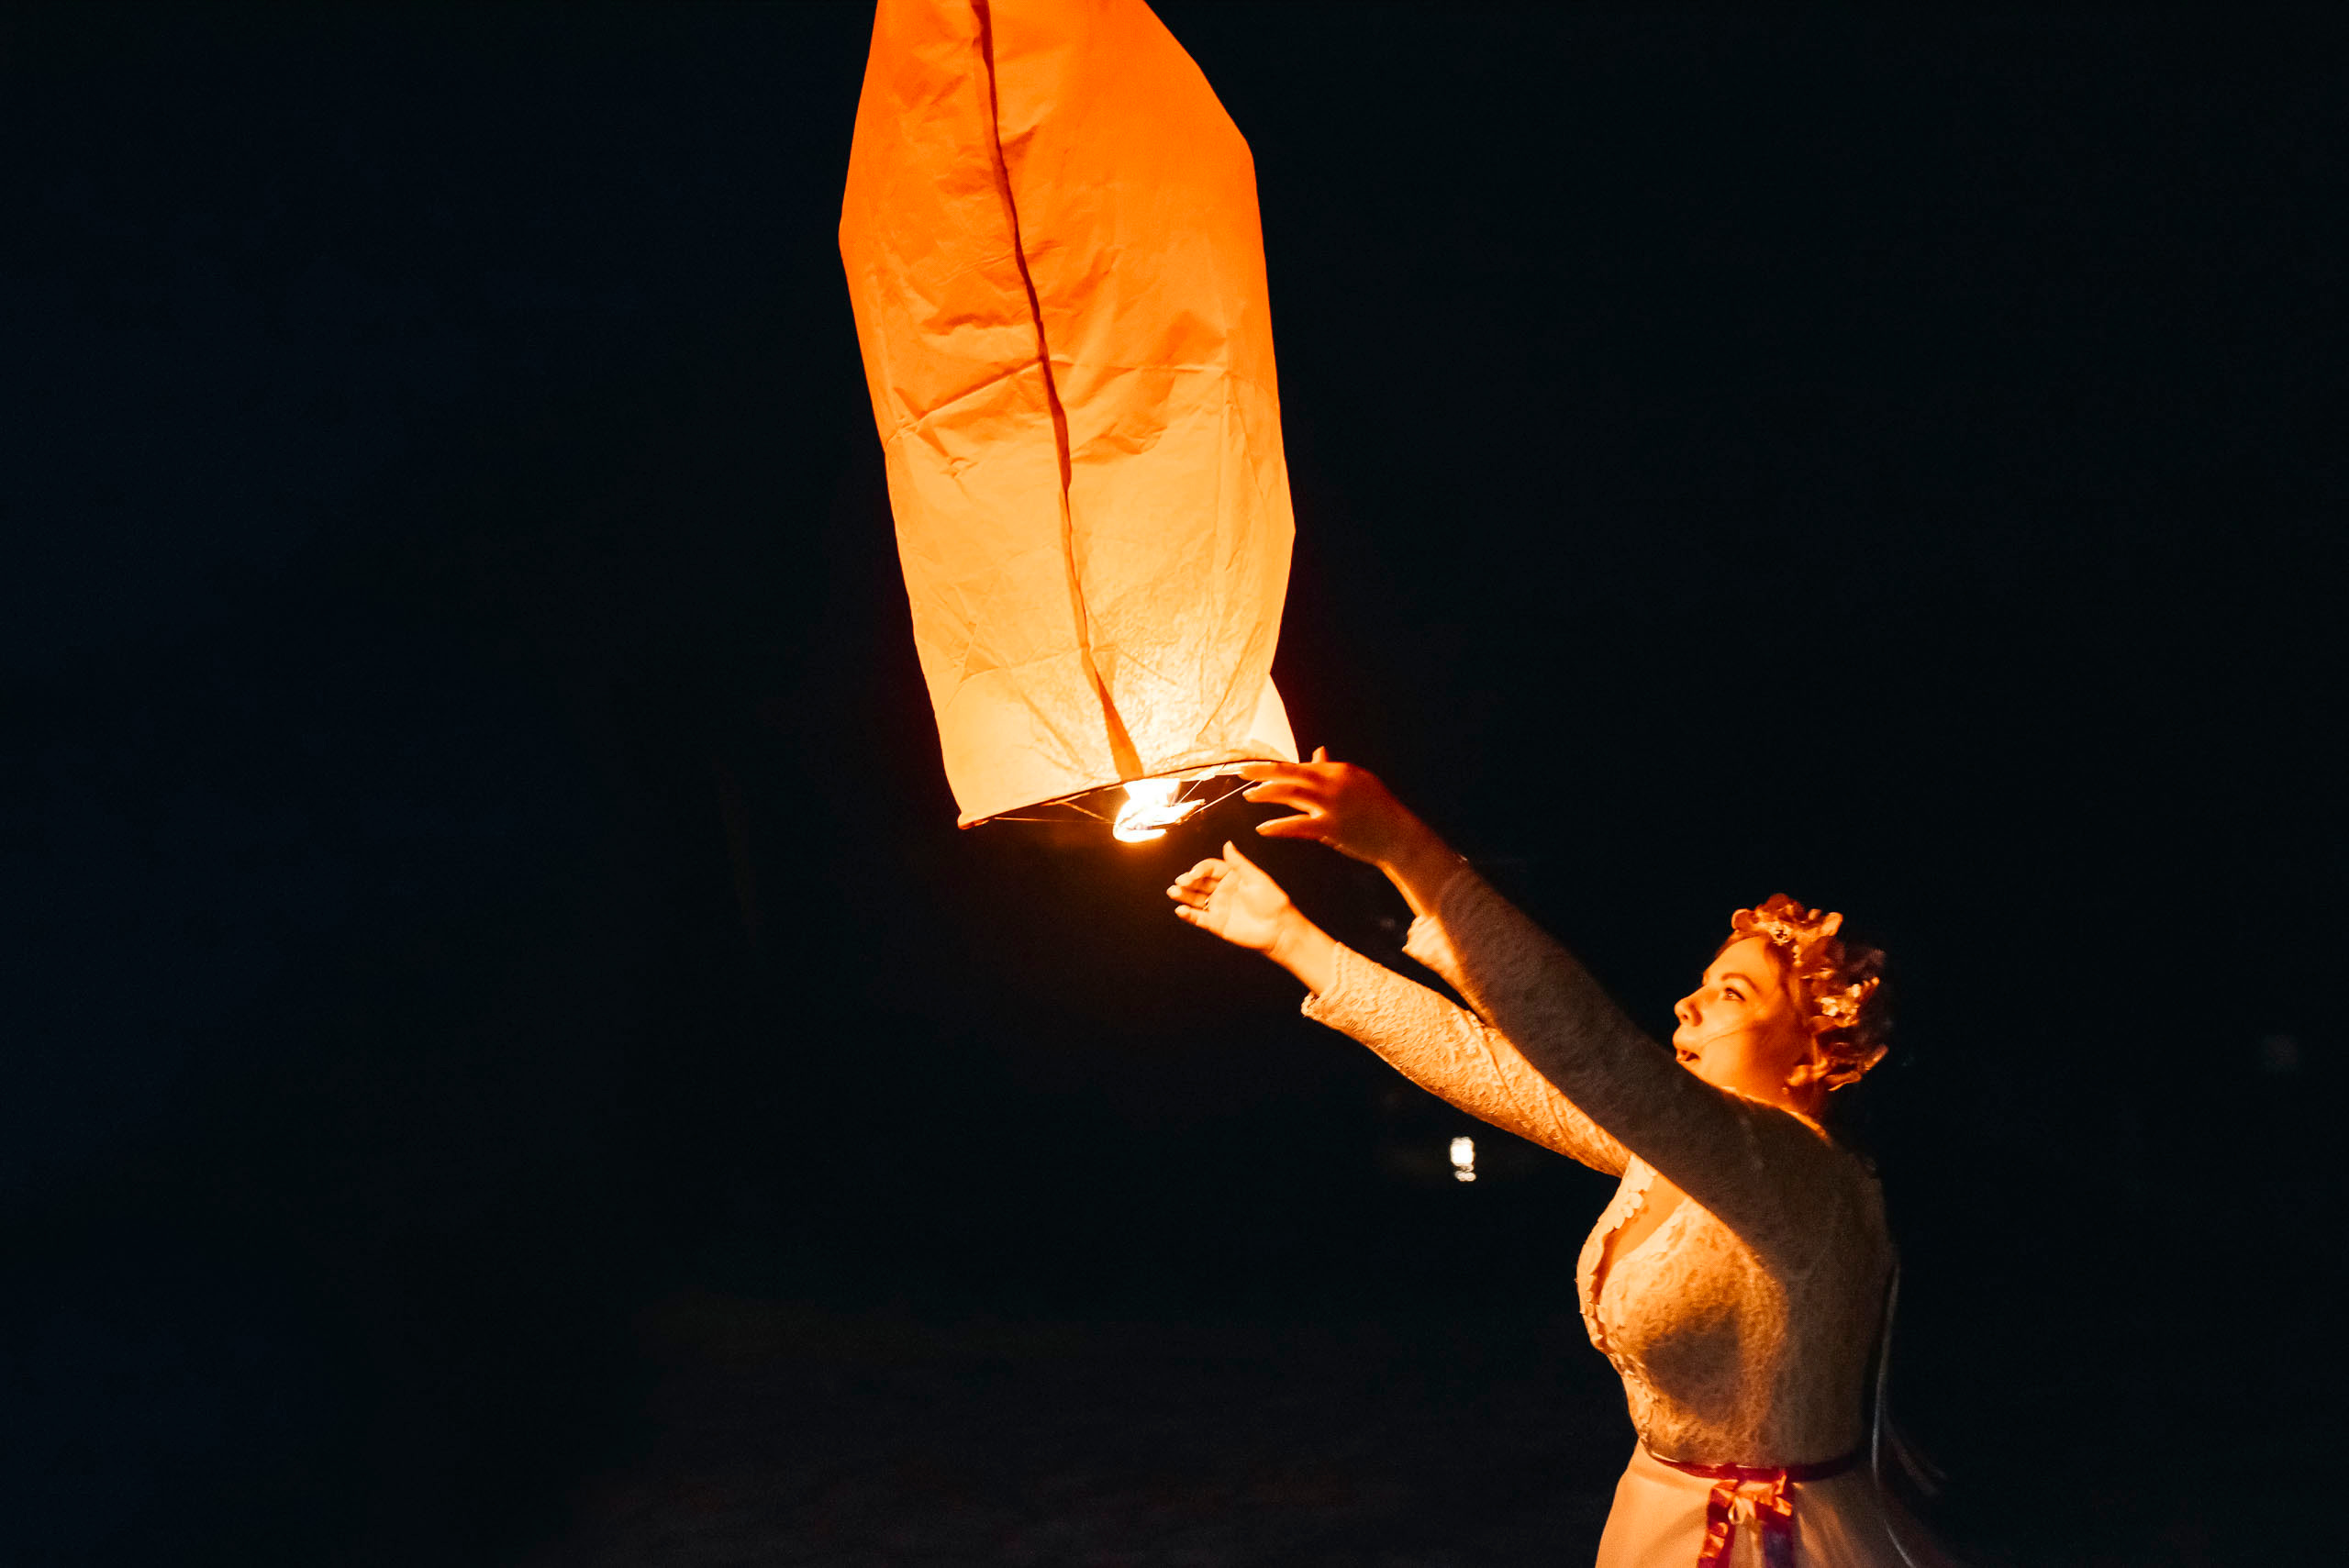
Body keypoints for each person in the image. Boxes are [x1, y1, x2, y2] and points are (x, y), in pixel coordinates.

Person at [1166, 750, 1952, 1568]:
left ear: (1816, 1054)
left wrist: (1405, 847)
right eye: (1705, 980)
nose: (1687, 1003)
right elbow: (1489, 1065)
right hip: (1654, 1524)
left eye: (1733, 993)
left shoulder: (1802, 1175)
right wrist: (1292, 938)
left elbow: (1587, 1046)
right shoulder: (1672, 1158)